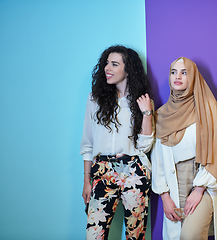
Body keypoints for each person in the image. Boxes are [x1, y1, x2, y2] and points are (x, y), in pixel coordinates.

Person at [151, 57, 217, 240]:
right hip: (174, 186)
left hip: (203, 182)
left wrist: (198, 190)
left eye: (184, 72)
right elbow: (158, 160)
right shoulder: (161, 114)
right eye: (173, 72)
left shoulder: (206, 108)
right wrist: (165, 198)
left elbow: (216, 151)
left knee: (190, 235)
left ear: (193, 76)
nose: (177, 76)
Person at [80, 45, 154, 240]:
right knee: (94, 235)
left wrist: (147, 112)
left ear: (127, 68)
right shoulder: (94, 99)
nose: (107, 68)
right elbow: (87, 143)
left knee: (135, 235)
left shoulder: (142, 101)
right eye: (106, 63)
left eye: (114, 64)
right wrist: (87, 181)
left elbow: (145, 146)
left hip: (134, 170)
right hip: (102, 170)